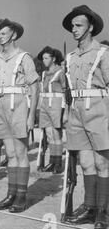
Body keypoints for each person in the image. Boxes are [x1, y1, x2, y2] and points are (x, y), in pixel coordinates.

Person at [62, 5, 109, 229]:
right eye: (72, 26)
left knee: (102, 162)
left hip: (99, 110)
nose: (74, 29)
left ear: (90, 27)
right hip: (76, 112)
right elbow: (67, 89)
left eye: (79, 25)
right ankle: (89, 207)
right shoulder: (70, 57)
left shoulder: (102, 53)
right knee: (86, 162)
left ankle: (103, 210)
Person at [0, 19, 39, 213]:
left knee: (20, 152)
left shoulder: (23, 57)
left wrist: (31, 115)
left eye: (4, 32)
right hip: (1, 105)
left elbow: (34, 87)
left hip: (18, 104)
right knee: (9, 154)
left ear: (14, 35)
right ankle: (11, 194)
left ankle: (21, 196)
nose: (0, 35)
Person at [36, 46, 65, 174]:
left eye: (46, 58)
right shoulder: (43, 74)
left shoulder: (61, 72)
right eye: (43, 58)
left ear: (53, 59)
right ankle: (52, 161)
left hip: (56, 104)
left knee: (56, 134)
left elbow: (65, 91)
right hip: (45, 104)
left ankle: (58, 163)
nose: (44, 60)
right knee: (49, 134)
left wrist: (65, 109)